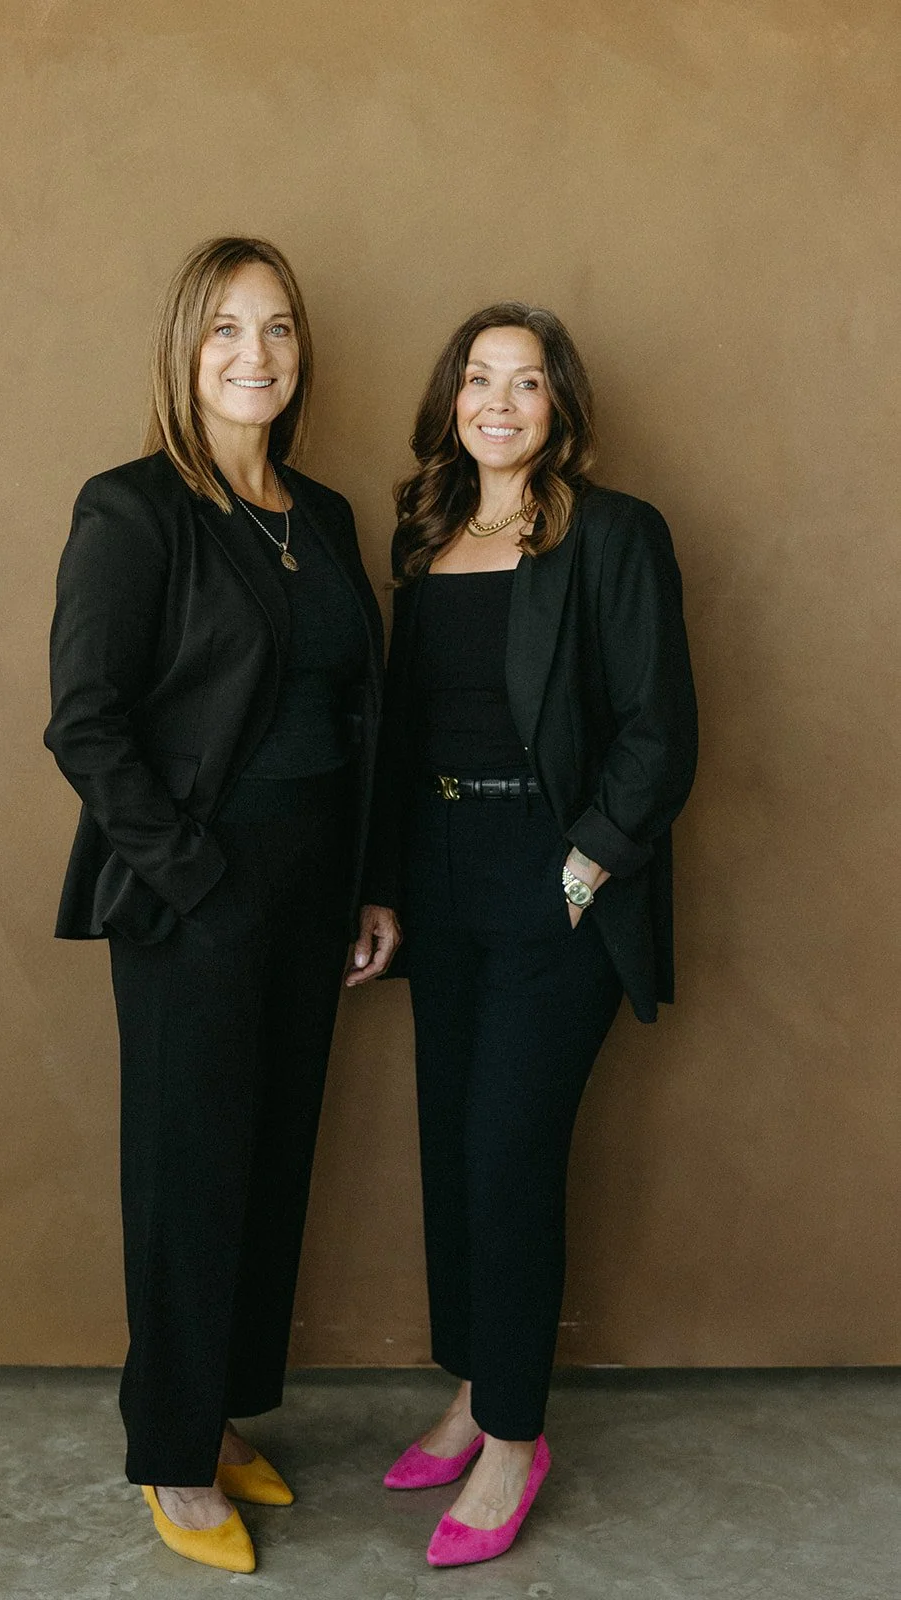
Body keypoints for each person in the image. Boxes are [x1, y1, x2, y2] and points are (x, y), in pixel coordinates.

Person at [44, 236, 399, 1574]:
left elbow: (357, 714)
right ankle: (170, 1453)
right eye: (225, 331)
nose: (254, 355)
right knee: (188, 1174)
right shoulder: (131, 511)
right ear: (186, 352)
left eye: (278, 329)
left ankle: (219, 1408)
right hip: (195, 893)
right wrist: (196, 878)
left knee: (271, 1163)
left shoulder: (324, 516)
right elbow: (86, 725)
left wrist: (368, 884)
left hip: (315, 893)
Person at [359, 302, 697, 1568]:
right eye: (478, 378)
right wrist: (385, 885)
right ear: (451, 398)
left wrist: (585, 864)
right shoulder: (424, 533)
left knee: (507, 1156)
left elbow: (659, 728)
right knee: (452, 1146)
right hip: (440, 881)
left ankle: (512, 1435)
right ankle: (469, 1385)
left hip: (556, 884)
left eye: (529, 382)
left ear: (561, 408)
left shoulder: (612, 534)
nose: (499, 401)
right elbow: (404, 739)